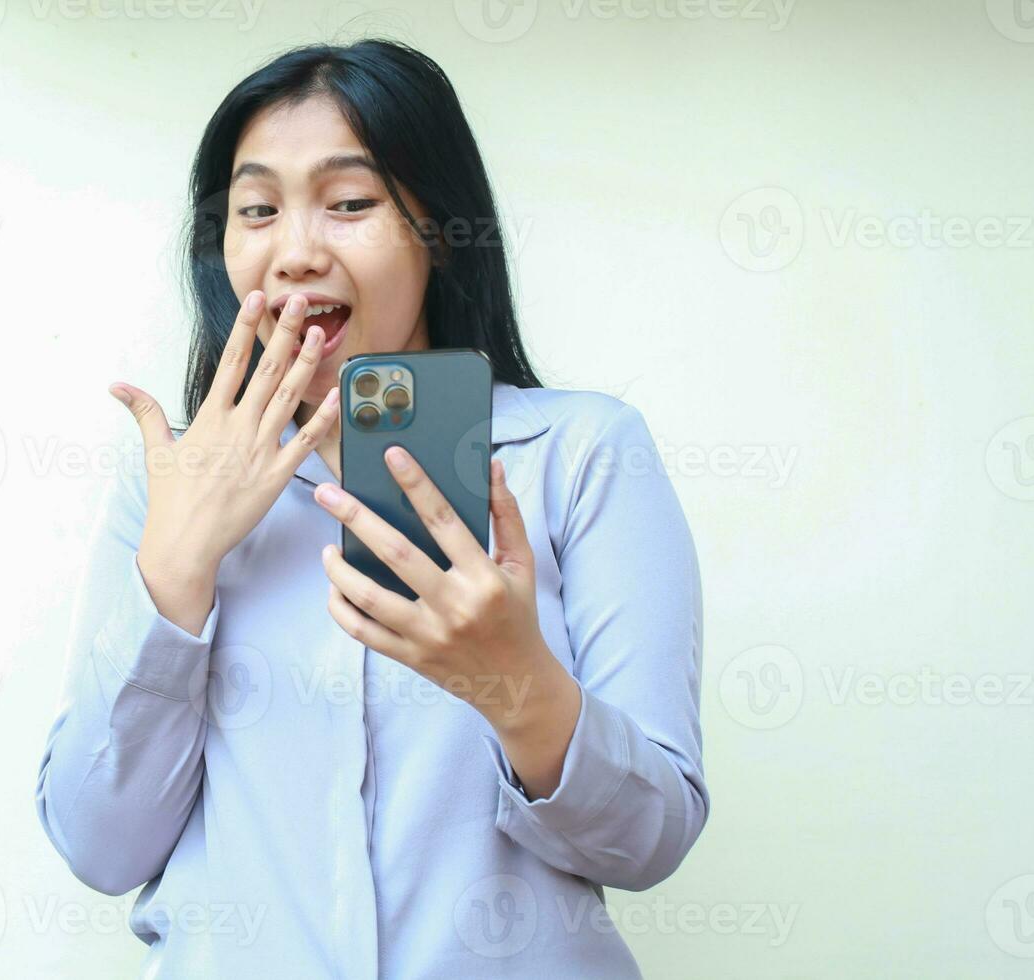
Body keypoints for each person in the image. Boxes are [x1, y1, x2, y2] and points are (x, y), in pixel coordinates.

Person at [36, 37, 707, 978]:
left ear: (439, 228)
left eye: (350, 204)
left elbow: (649, 842)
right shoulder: (169, 483)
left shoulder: (582, 455)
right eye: (257, 209)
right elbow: (99, 847)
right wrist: (178, 572)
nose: (296, 251)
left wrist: (513, 680)